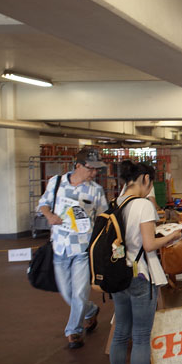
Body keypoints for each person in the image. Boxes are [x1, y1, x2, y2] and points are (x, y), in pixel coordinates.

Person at [109, 160, 181, 364]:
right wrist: (172, 236)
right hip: (141, 276)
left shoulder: (117, 203)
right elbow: (149, 245)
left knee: (120, 334)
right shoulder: (142, 205)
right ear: (146, 180)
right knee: (140, 337)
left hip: (119, 276)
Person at [38, 148, 109, 349]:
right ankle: (90, 311)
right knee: (67, 293)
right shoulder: (56, 183)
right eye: (91, 169)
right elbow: (43, 204)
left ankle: (74, 331)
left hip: (83, 249)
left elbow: (103, 217)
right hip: (60, 246)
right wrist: (49, 216)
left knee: (78, 293)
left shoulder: (95, 190)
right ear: (78, 166)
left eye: (97, 170)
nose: (94, 174)